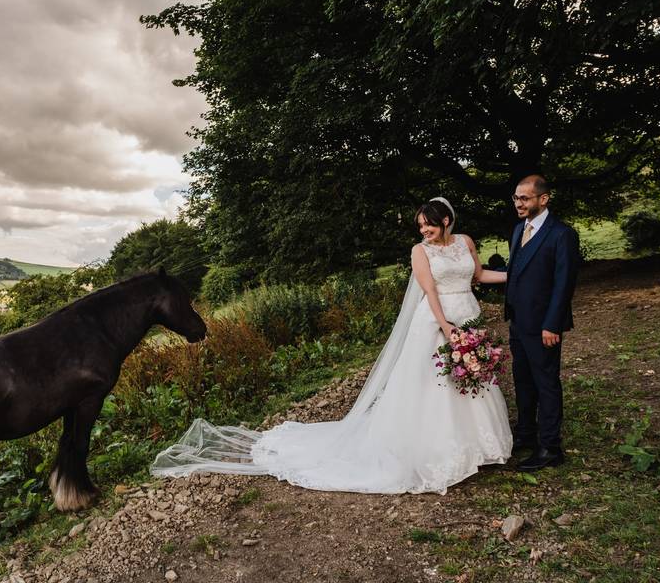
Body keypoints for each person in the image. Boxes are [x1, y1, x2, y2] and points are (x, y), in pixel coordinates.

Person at [151, 197, 512, 494]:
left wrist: (516, 274)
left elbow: (479, 275)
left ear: (446, 220)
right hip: (437, 322)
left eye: (428, 225)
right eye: (420, 226)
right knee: (435, 386)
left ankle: (478, 447)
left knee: (470, 377)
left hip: (468, 315)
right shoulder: (421, 252)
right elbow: (430, 291)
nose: (424, 231)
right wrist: (445, 325)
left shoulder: (465, 243)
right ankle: (436, 452)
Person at [505, 175, 580, 471]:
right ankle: (525, 434)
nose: (518, 203)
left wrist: (552, 324)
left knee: (546, 383)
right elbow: (518, 272)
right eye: (516, 198)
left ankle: (549, 447)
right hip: (518, 322)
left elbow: (564, 284)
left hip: (543, 326)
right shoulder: (517, 230)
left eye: (524, 198)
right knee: (522, 380)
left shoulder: (562, 234)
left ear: (544, 199)